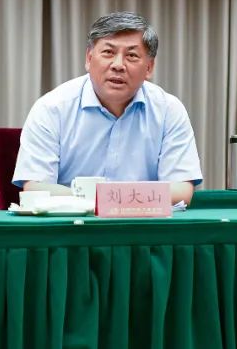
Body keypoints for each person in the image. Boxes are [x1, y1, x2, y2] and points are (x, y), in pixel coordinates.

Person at [12, 11, 202, 205]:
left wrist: (109, 201)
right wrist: (105, 202)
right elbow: (36, 187)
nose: (118, 65)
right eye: (108, 52)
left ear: (149, 67)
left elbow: (181, 190)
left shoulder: (169, 110)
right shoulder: (52, 108)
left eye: (132, 55)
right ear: (89, 58)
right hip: (72, 222)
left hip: (142, 223)